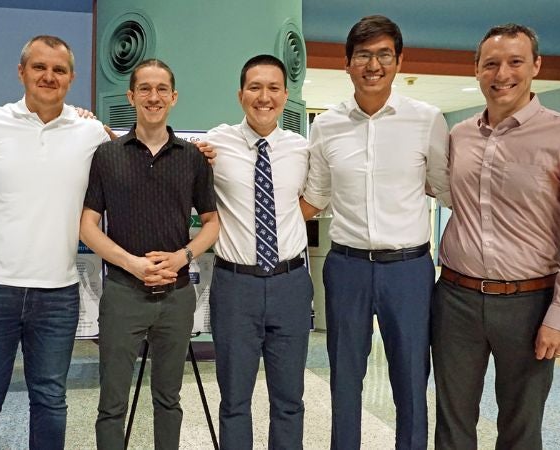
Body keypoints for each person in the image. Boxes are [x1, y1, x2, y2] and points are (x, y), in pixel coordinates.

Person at [432, 24, 560, 450]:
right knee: (452, 424)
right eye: (490, 63)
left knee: (521, 428)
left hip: (529, 303)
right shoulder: (460, 135)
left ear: (536, 67)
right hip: (456, 298)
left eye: (515, 62)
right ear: (476, 70)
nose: (502, 73)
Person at [0, 35, 111, 449]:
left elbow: (131, 161)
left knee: (50, 401)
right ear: (21, 71)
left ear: (71, 78)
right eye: (39, 67)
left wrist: (199, 155)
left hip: (57, 293)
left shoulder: (90, 131)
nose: (49, 76)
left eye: (59, 70)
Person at [301, 15, 450, 450]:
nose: (373, 64)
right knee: (344, 382)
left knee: (411, 381)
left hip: (409, 270)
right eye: (363, 55)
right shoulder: (326, 125)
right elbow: (315, 197)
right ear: (346, 63)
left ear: (399, 61)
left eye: (384, 54)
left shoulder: (426, 119)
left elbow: (444, 188)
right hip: (346, 266)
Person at [80, 58, 219, 450]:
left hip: (175, 296)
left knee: (169, 399)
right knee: (111, 403)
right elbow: (87, 226)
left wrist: (182, 257)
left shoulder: (192, 158)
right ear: (131, 96)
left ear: (173, 97)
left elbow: (212, 223)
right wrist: (132, 264)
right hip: (124, 293)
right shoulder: (107, 155)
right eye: (145, 88)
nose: (153, 97)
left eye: (161, 89)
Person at [206, 54, 313, 449]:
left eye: (273, 88)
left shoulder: (302, 149)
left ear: (285, 95)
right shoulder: (214, 144)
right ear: (240, 95)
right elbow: (157, 149)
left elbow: (313, 199)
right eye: (255, 87)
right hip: (236, 287)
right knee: (234, 400)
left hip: (291, 284)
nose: (263, 97)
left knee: (289, 400)